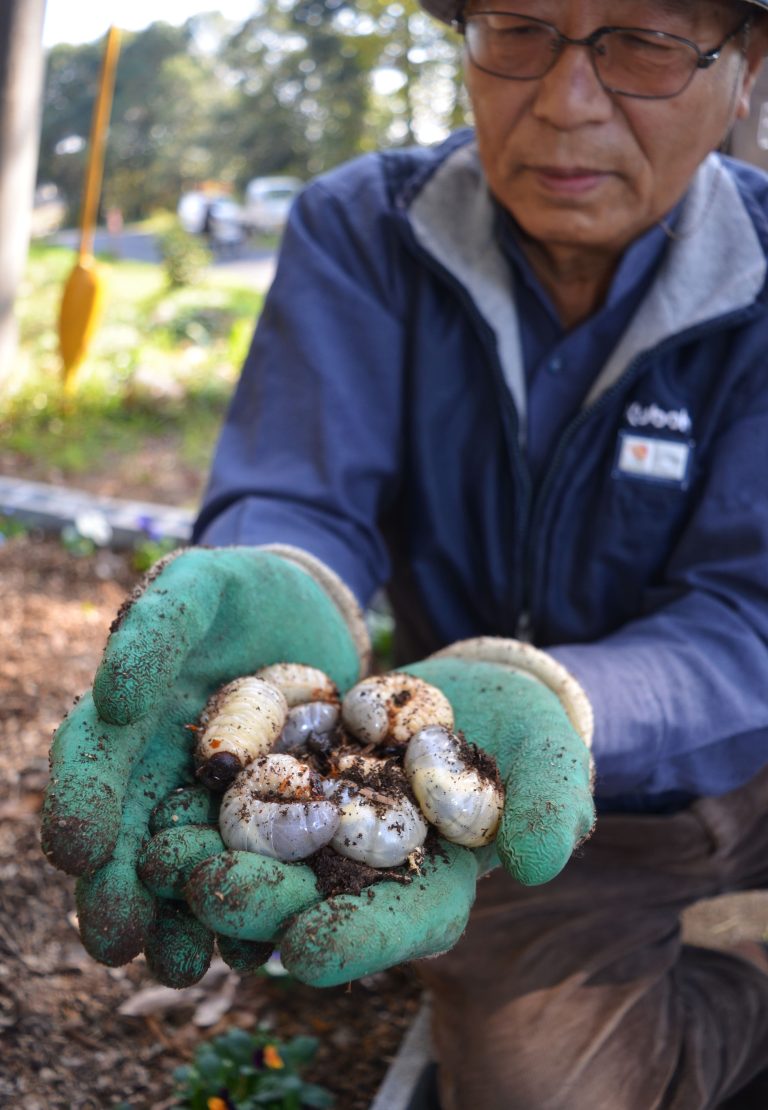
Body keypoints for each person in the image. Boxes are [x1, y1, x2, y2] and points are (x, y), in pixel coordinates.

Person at [41, 0, 768, 1106]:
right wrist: (279, 585)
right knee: (541, 1089)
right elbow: (297, 490)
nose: (567, 103)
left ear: (745, 65)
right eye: (519, 29)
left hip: (737, 753)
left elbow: (746, 612)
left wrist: (562, 696)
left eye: (647, 44)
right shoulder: (364, 226)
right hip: (542, 805)